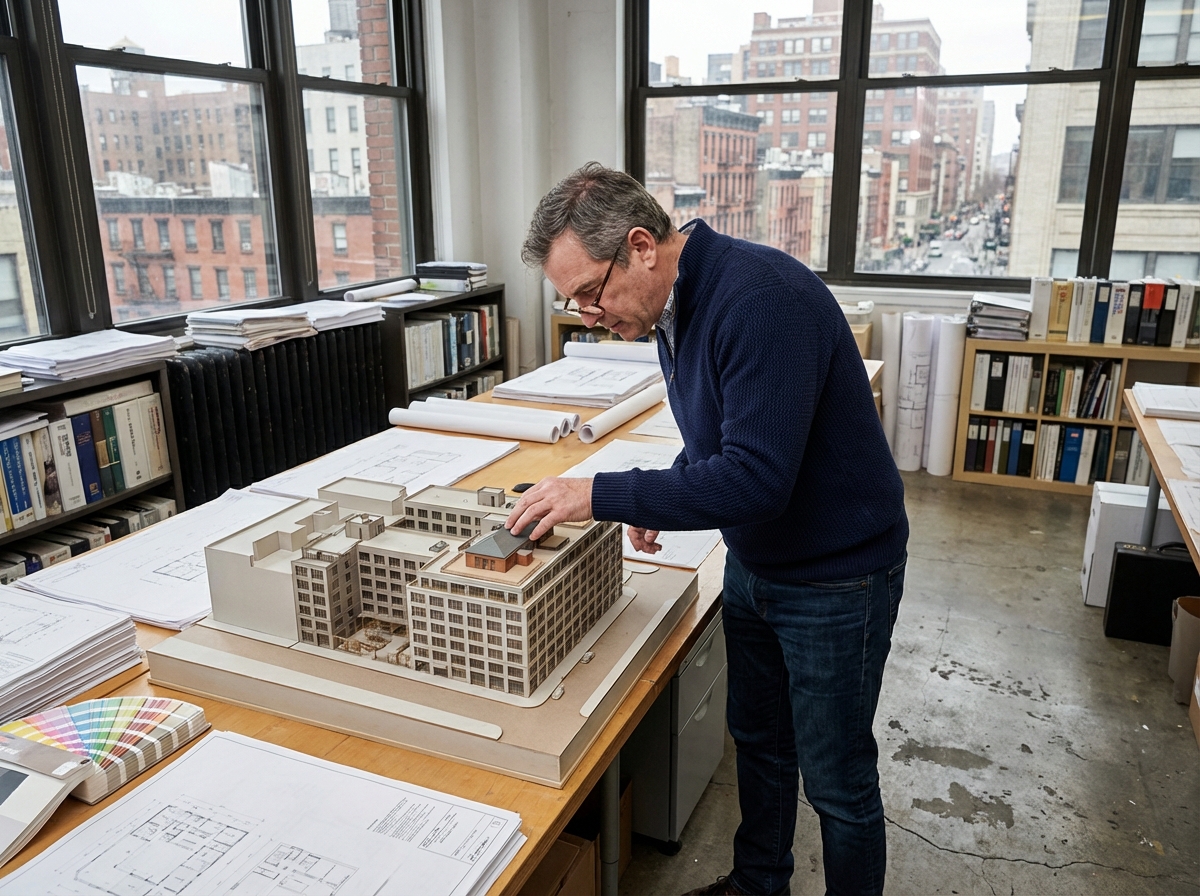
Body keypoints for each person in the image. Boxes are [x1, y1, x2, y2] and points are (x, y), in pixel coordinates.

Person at [507, 162, 908, 896]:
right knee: (760, 743)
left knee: (838, 781)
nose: (589, 316)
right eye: (574, 304)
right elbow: (722, 429)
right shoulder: (672, 305)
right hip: (760, 563)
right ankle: (760, 886)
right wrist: (656, 496)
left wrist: (604, 493)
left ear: (641, 246)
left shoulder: (760, 299)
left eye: (590, 295)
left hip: (836, 573)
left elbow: (756, 478)